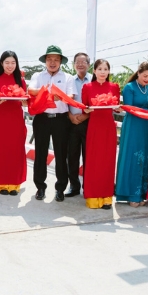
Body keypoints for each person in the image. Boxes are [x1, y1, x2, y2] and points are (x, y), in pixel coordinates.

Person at [28, 45, 76, 201]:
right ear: (45, 61)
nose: (53, 62)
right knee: (40, 153)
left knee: (61, 154)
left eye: (56, 59)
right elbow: (31, 91)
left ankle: (60, 188)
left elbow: (70, 96)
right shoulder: (38, 75)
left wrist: (45, 93)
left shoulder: (68, 77)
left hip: (61, 119)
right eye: (49, 59)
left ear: (61, 61)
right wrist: (50, 93)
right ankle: (40, 187)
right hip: (42, 118)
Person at [81, 59, 120, 209]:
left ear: (109, 71)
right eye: (100, 69)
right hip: (95, 127)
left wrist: (119, 109)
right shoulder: (87, 87)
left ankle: (107, 197)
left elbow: (116, 108)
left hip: (109, 127)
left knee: (108, 161)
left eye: (105, 69)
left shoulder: (114, 87)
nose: (103, 72)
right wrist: (86, 110)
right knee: (93, 161)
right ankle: (93, 196)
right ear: (94, 71)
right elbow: (84, 107)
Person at [0, 51, 28, 195]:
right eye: (7, 62)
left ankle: (14, 184)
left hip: (16, 120)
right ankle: (0, 184)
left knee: (15, 151)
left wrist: (24, 101)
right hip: (2, 120)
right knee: (1, 151)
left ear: (16, 64)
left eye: (13, 63)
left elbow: (25, 103)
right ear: (1, 63)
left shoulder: (21, 81)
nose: (10, 66)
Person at [115, 61, 148, 206]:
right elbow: (130, 108)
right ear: (138, 73)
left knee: (143, 158)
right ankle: (129, 194)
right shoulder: (129, 87)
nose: (147, 79)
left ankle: (140, 194)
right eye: (145, 75)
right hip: (133, 125)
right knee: (131, 157)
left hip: (145, 126)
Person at [66, 52, 91, 197]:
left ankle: (88, 186)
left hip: (88, 122)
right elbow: (63, 100)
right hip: (71, 122)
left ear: (89, 64)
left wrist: (85, 116)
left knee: (88, 156)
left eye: (84, 62)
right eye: (78, 62)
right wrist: (70, 116)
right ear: (74, 64)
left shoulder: (93, 80)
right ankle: (74, 186)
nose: (80, 64)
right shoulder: (69, 80)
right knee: (72, 156)